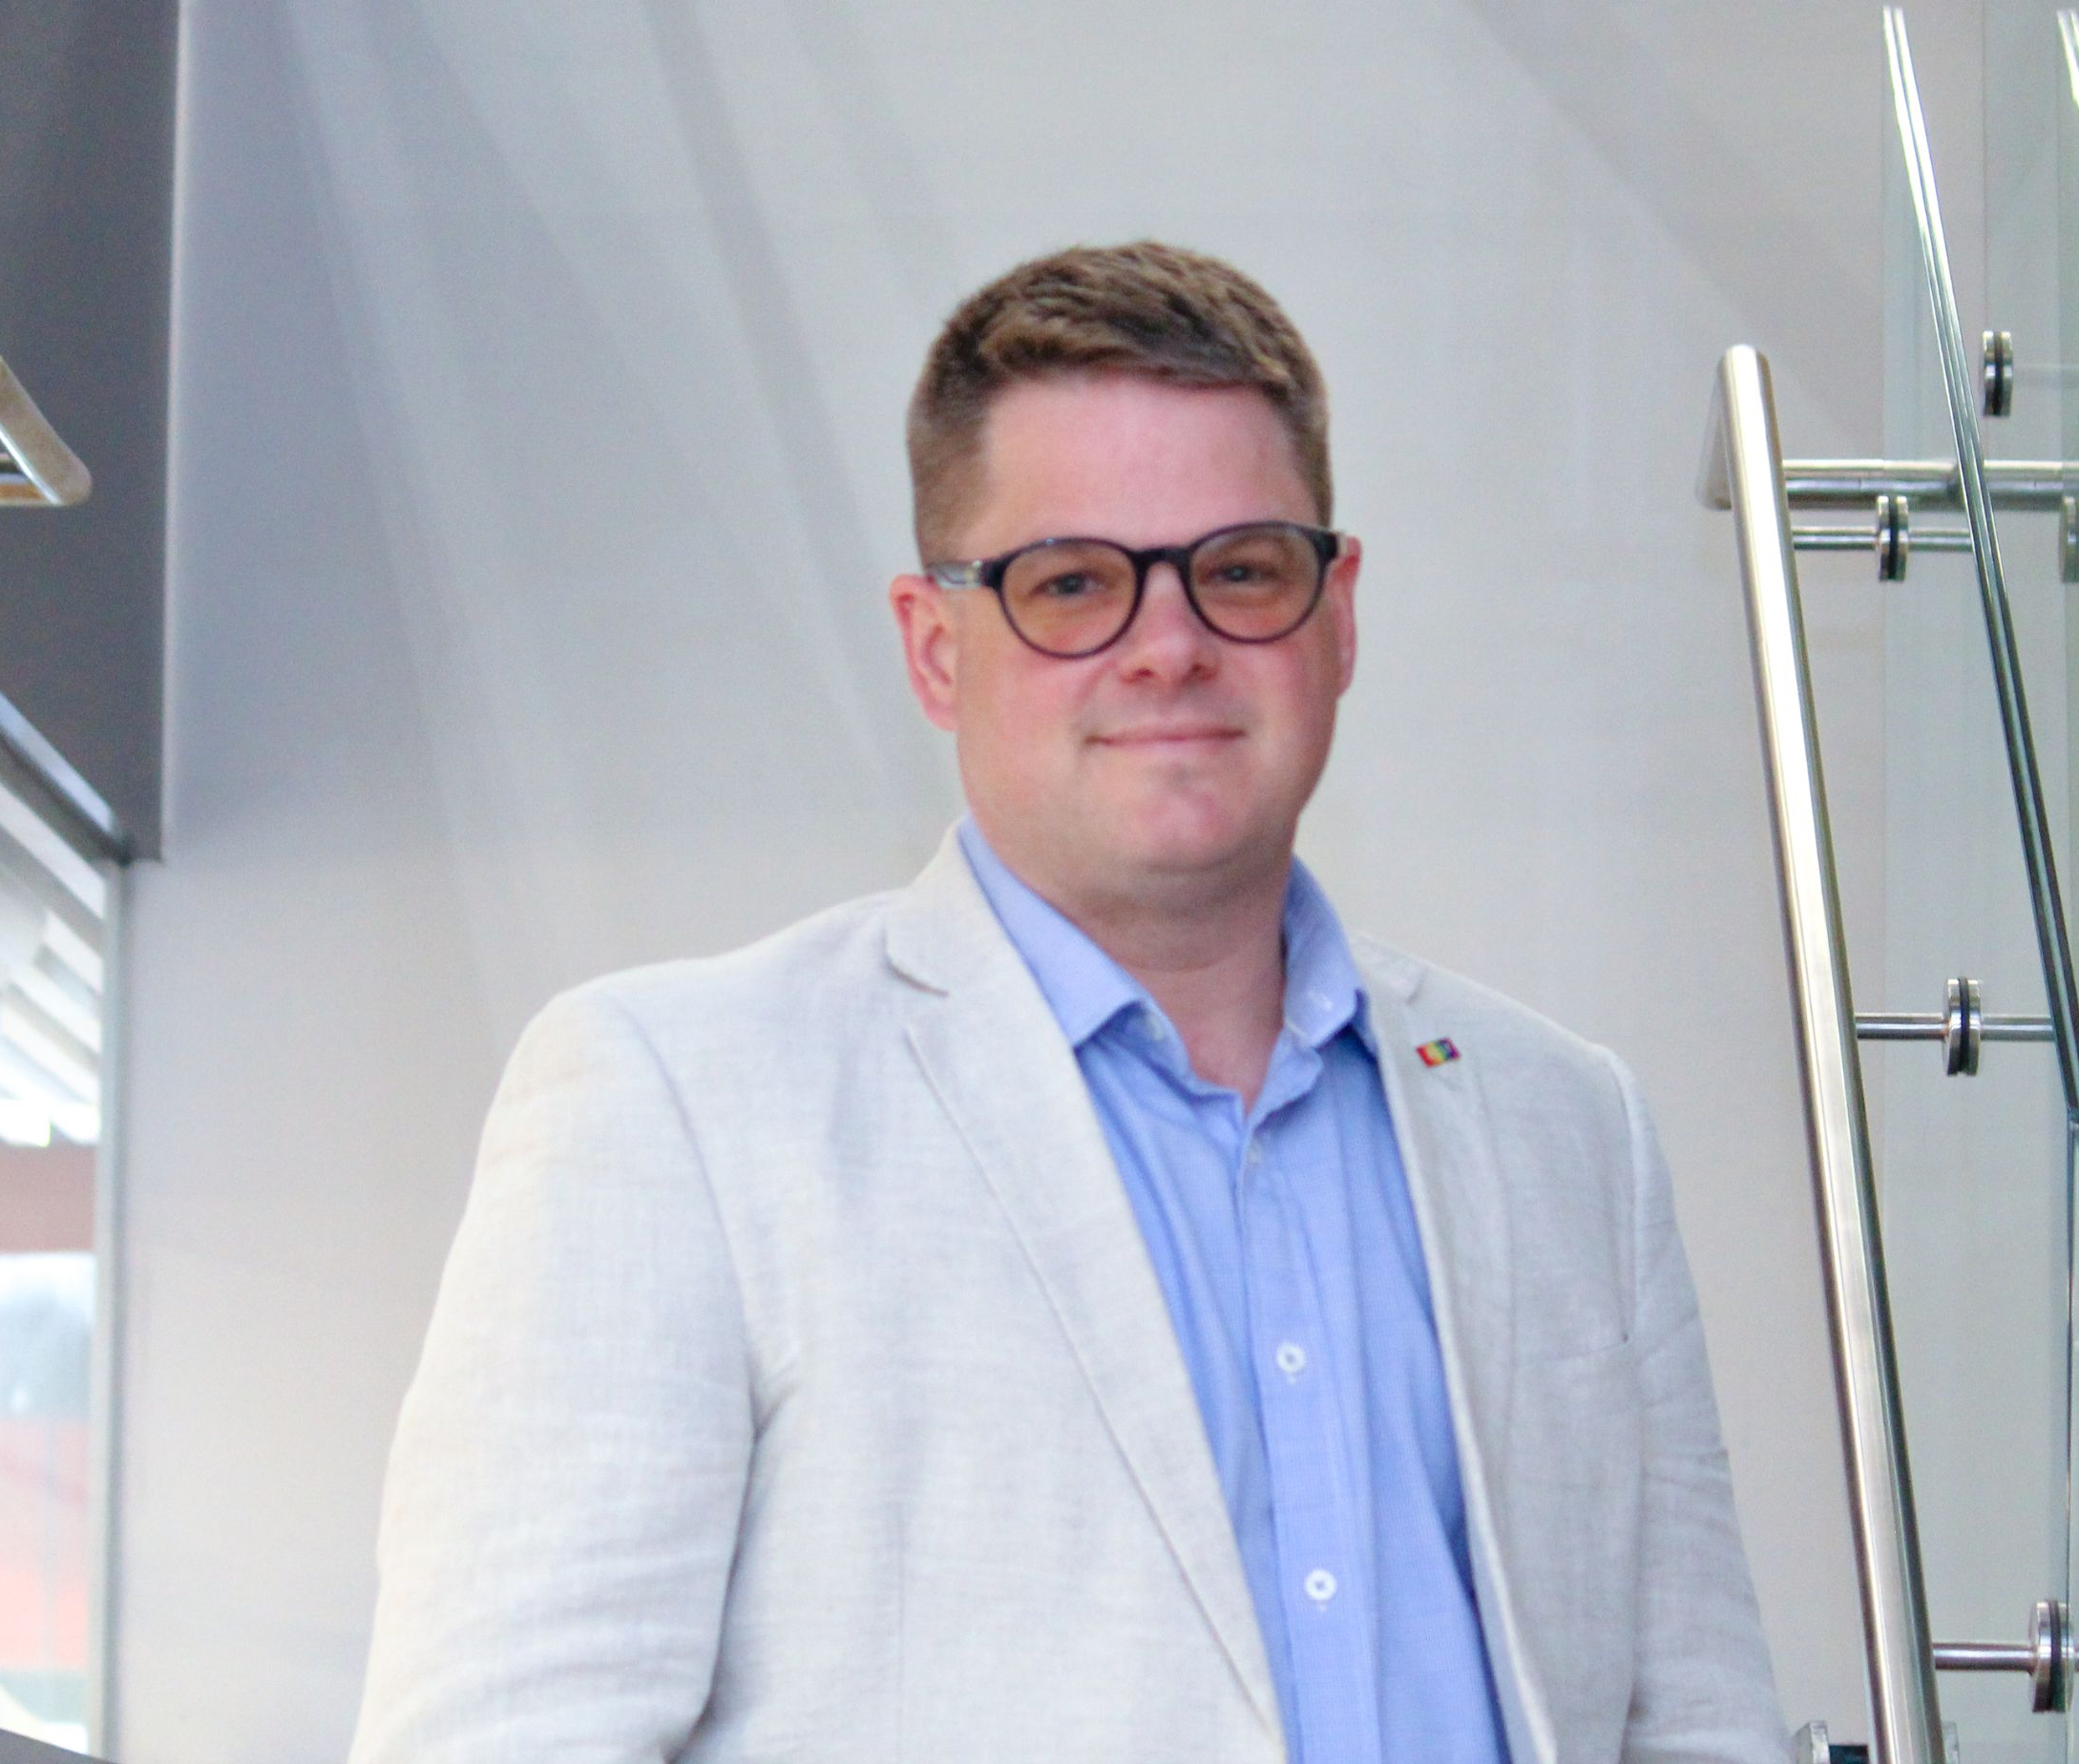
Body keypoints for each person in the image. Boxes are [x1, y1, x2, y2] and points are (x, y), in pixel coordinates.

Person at [348, 243, 1784, 1764]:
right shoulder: (679, 1101)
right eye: (1073, 585)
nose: (1167, 646)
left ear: (1337, 614)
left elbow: (1695, 1723)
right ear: (932, 646)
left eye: (1239, 568)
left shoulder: (1570, 1130)